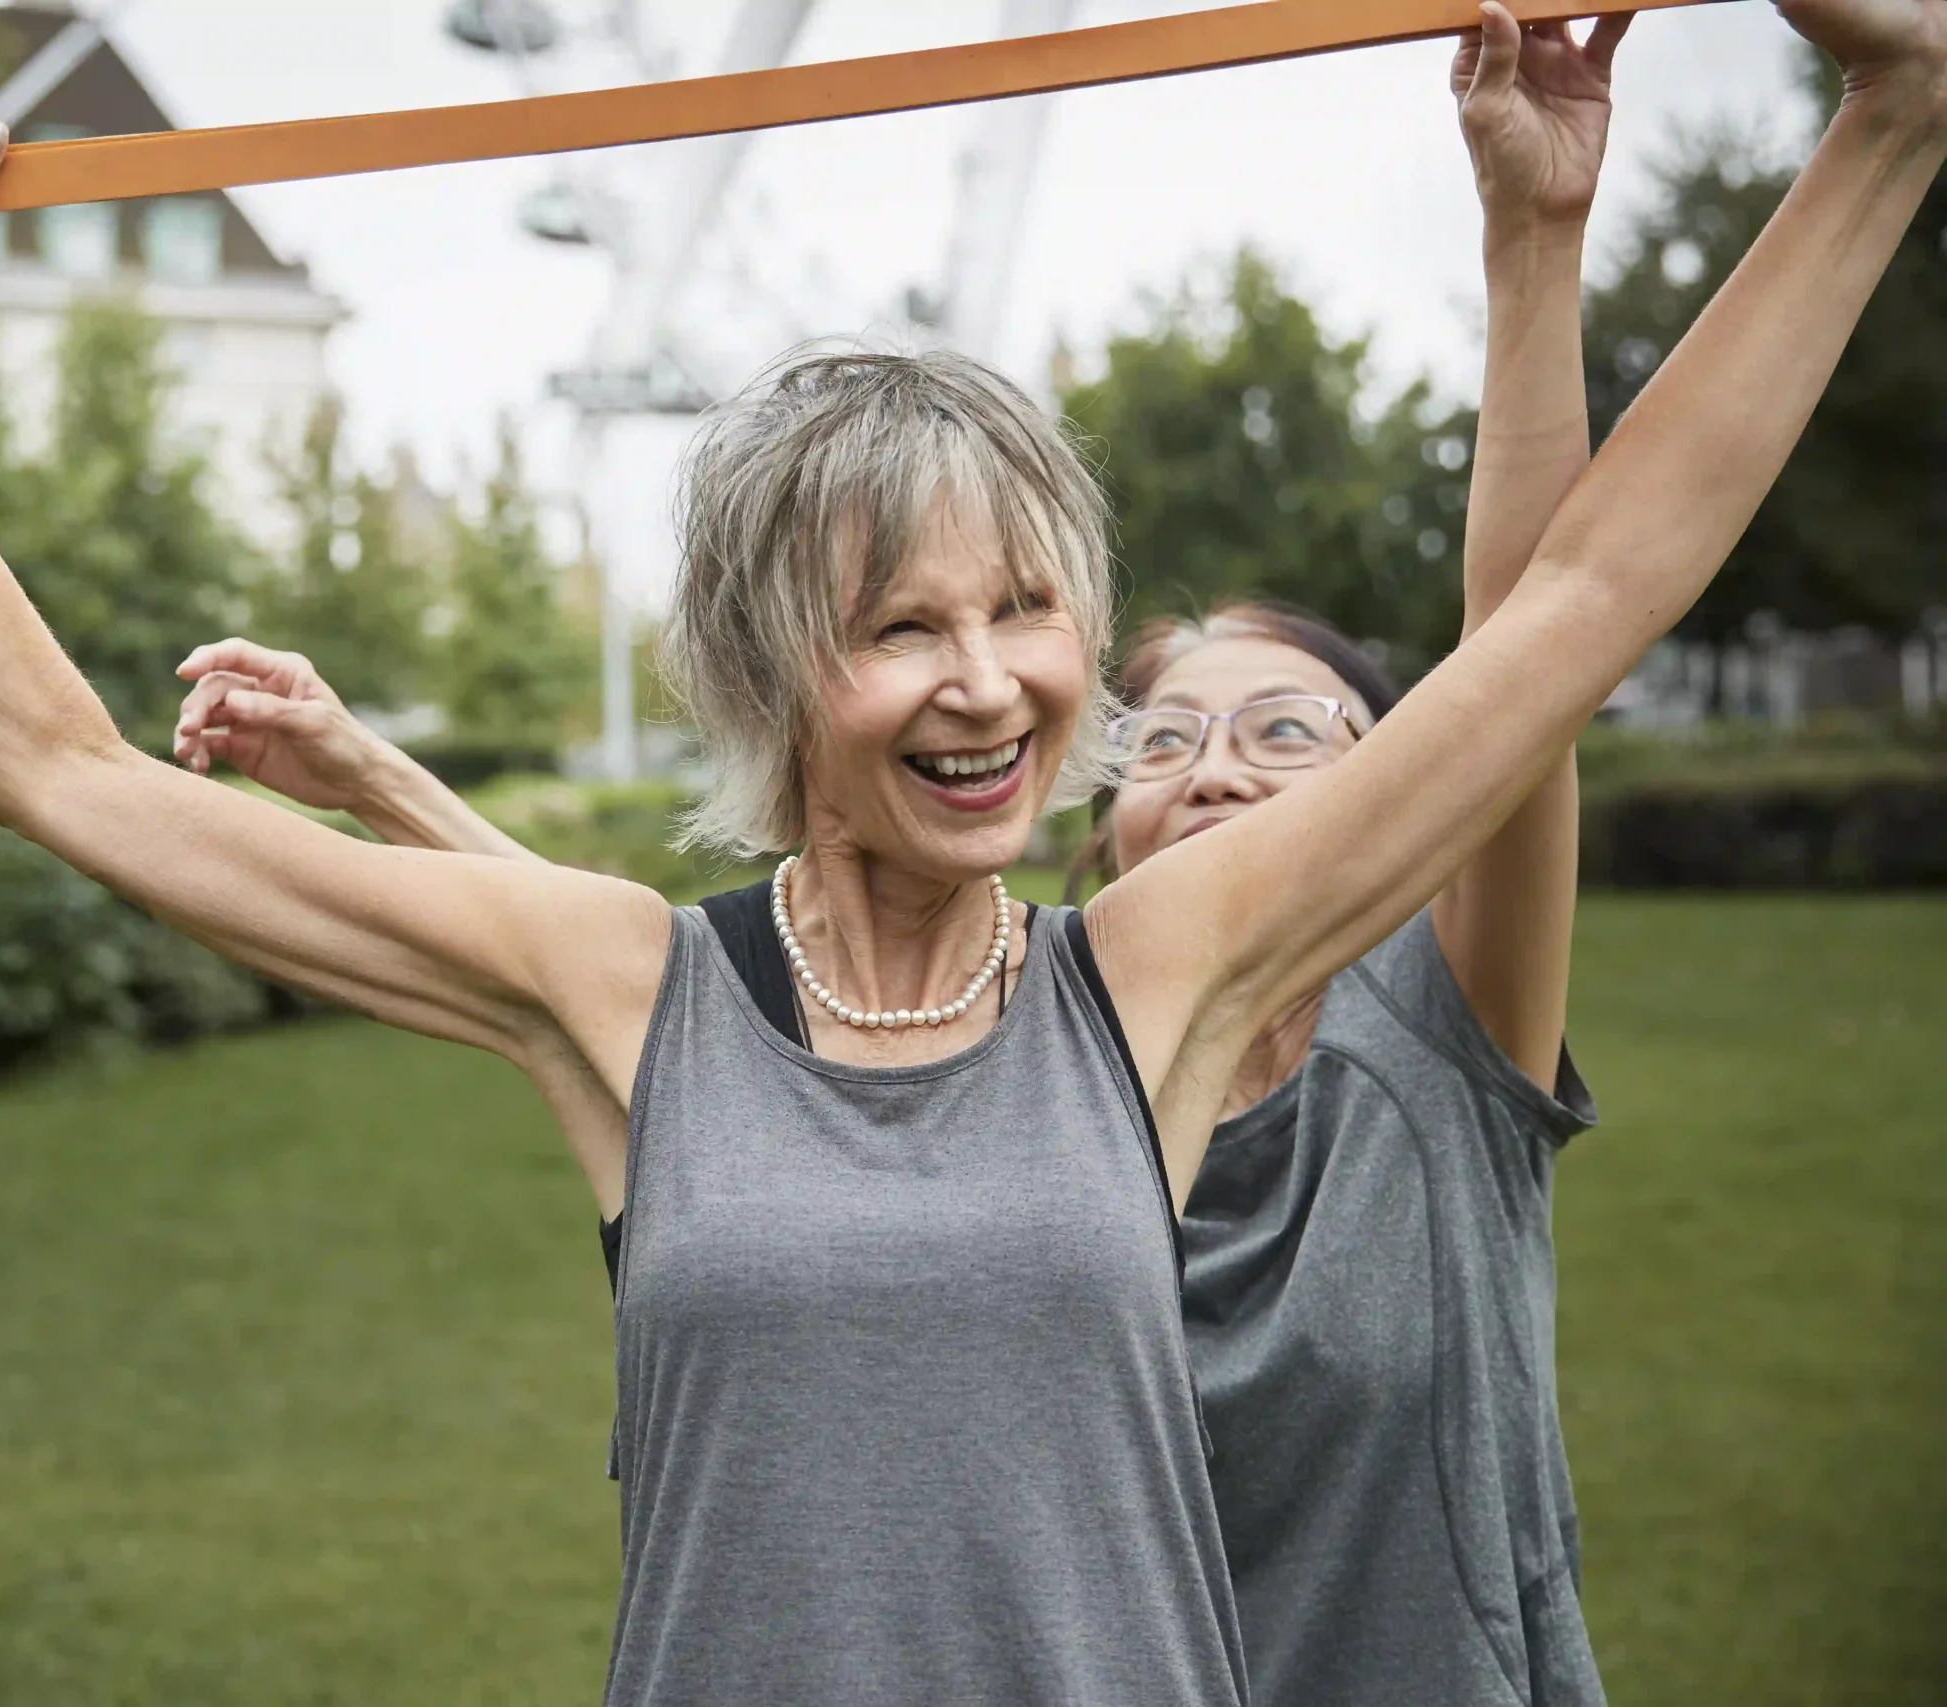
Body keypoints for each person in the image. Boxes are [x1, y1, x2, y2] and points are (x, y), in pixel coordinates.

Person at [0, 0, 1945, 1696]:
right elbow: (66, 771)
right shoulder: (627, 986)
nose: (987, 683)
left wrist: (1886, 126)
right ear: (765, 675)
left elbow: (1577, 604)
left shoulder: (1151, 974)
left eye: (1023, 608)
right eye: (899, 626)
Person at [163, 17, 1594, 1703]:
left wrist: (1541, 236)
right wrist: (380, 783)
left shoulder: (1421, 1039)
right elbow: (691, 1038)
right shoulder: (1069, 1057)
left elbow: (1547, 628)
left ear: (1399, 796)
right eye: (1171, 735)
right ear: (1097, 828)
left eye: (1290, 730)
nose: (1217, 769)